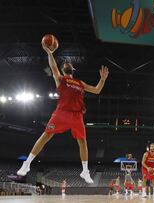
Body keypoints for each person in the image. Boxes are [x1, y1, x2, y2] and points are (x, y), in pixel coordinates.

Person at [17, 40, 109, 184]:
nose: (67, 64)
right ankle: (27, 164)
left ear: (72, 69)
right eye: (64, 64)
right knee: (46, 135)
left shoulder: (80, 83)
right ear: (63, 69)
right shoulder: (61, 79)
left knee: (83, 142)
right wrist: (49, 53)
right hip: (62, 113)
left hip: (77, 115)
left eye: (69, 64)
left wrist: (102, 80)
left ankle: (85, 171)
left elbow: (97, 90)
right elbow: (53, 67)